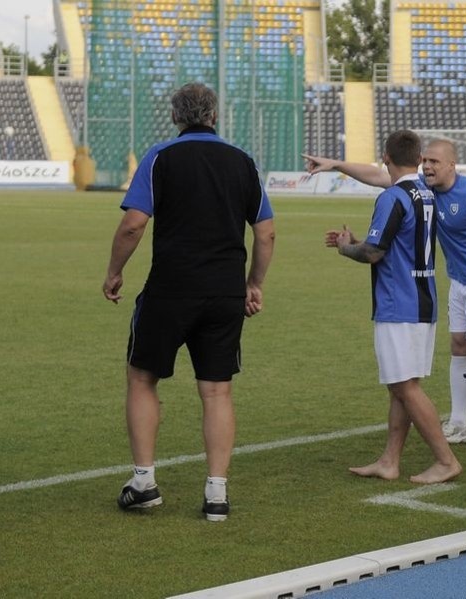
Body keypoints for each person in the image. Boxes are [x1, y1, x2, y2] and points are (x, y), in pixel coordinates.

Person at [102, 82, 275, 522]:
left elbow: (133, 225)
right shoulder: (242, 161)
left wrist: (114, 272)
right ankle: (216, 494)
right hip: (224, 292)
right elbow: (266, 230)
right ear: (214, 116)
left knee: (142, 378)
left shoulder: (161, 156)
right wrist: (254, 283)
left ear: (176, 117)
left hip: (170, 289)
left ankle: (143, 483)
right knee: (217, 389)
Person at [305, 140, 466, 445]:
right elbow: (376, 176)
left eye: (435, 162)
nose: (428, 166)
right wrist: (335, 164)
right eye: (425, 160)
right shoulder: (426, 189)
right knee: (458, 345)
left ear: (452, 165)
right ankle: (457, 420)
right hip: (459, 279)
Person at [325, 129, 462, 484]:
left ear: (385, 158)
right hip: (422, 300)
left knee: (405, 387)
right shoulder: (426, 193)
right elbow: (394, 242)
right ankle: (389, 461)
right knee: (401, 386)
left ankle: (446, 460)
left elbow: (374, 253)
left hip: (398, 302)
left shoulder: (392, 197)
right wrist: (361, 242)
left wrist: (345, 248)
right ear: (418, 160)